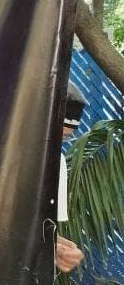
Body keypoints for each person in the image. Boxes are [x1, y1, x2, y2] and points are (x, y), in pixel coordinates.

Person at [55, 82, 86, 273]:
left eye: (65, 137)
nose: (56, 143)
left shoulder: (56, 163)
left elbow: (43, 230)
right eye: (53, 133)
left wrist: (58, 248)